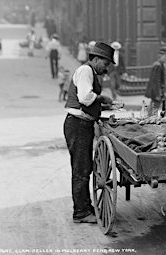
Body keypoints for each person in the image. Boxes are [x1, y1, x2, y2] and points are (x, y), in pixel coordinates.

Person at [63, 42, 115, 224]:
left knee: (84, 167)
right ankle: (80, 212)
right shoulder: (85, 71)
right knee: (81, 170)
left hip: (82, 125)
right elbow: (85, 98)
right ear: (96, 59)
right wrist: (102, 98)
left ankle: (85, 206)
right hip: (77, 125)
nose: (105, 68)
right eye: (105, 64)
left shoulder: (90, 72)